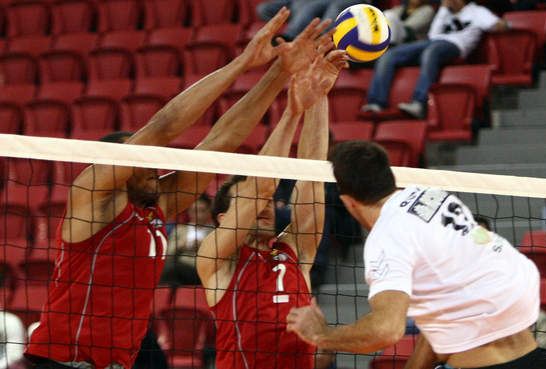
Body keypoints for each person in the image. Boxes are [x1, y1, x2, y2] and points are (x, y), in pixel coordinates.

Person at [25, 8, 331, 369]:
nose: (154, 166)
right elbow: (163, 128)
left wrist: (281, 72)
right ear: (117, 169)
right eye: (143, 162)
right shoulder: (93, 197)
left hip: (115, 362)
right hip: (61, 359)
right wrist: (242, 63)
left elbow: (220, 143)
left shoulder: (157, 209)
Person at [286, 140, 546, 369]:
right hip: (526, 325)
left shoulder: (386, 238)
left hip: (482, 358)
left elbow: (385, 330)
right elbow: (477, 239)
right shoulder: (431, 194)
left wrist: (321, 334)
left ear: (347, 201)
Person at [196, 41, 348, 369]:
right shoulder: (216, 261)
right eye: (250, 203)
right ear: (224, 218)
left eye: (267, 202)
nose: (264, 205)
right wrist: (292, 112)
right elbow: (262, 183)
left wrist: (319, 95)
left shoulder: (295, 250)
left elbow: (311, 177)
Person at [362, 0, 508, 119]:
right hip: (433, 42)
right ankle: (376, 102)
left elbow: (500, 25)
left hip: (457, 45)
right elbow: (433, 35)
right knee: (390, 54)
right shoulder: (444, 12)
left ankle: (419, 103)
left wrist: (501, 24)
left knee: (431, 52)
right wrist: (444, 11)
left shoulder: (476, 11)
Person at [161, 194, 215, 286]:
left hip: (205, 269)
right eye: (195, 211)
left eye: (202, 210)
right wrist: (182, 245)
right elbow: (167, 254)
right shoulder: (180, 230)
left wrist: (204, 247)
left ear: (208, 212)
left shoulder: (214, 231)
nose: (198, 215)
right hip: (180, 266)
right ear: (189, 212)